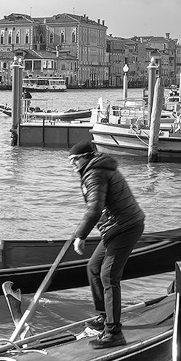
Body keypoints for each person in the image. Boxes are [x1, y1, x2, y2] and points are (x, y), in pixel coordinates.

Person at [67, 139, 146, 349]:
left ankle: (113, 332)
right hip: (115, 228)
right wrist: (80, 232)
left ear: (86, 157)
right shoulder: (96, 169)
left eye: (75, 160)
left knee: (108, 276)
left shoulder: (95, 173)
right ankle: (104, 316)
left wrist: (80, 236)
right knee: (93, 267)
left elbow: (94, 209)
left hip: (125, 227)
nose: (72, 164)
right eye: (71, 160)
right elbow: (96, 209)